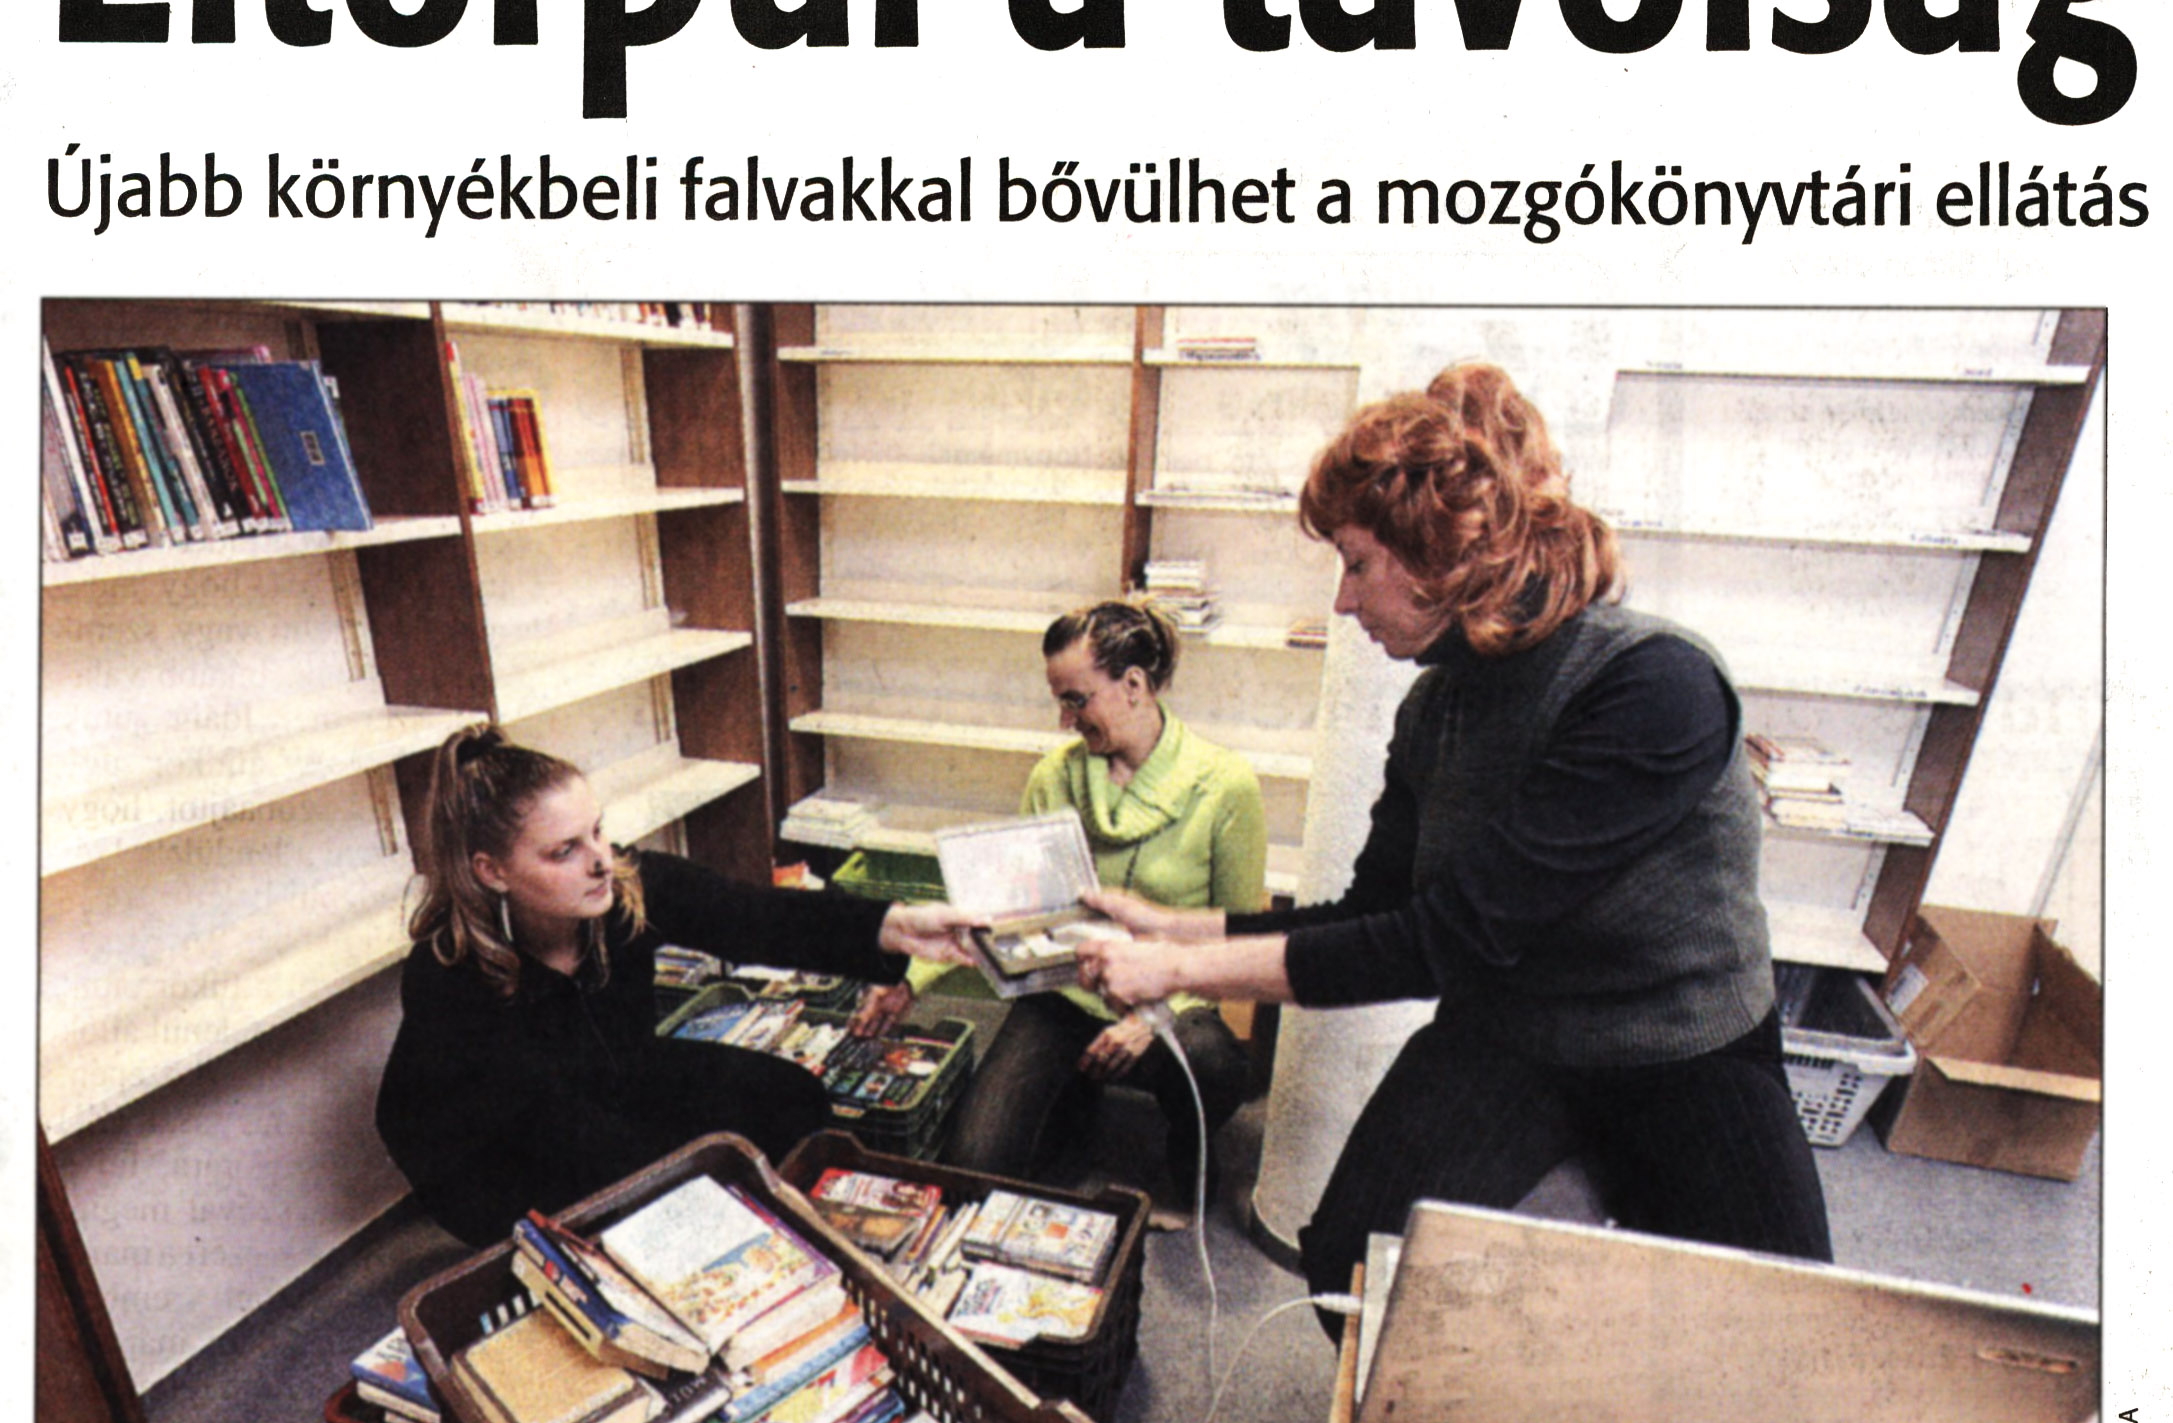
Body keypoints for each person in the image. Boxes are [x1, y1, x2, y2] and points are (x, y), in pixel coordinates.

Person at [1073, 363, 1833, 1310]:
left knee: (1778, 1320)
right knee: (1348, 1269)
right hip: (1514, 1027)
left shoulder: (1653, 685)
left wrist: (1178, 970)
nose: (1343, 602)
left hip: (1678, 1038)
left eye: (1355, 564)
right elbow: (1373, 912)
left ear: (1438, 557)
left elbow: (1445, 941)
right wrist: (1174, 927)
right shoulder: (1435, 710)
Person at [376, 726, 970, 1245]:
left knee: (791, 1099)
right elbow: (555, 1133)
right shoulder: (448, 974)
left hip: (614, 1081)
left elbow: (755, 916)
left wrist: (897, 927)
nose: (599, 861)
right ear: (492, 871)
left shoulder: (621, 887)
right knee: (668, 1199)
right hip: (505, 1156)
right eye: (564, 851)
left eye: (597, 832)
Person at [936, 600, 1267, 1211]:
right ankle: (1076, 1097)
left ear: (1134, 685)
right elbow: (1009, 910)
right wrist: (909, 976)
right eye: (1060, 701)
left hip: (1171, 999)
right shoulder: (1053, 776)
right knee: (973, 1166)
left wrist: (1153, 1019)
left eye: (1076, 700)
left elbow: (1237, 942)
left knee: (1213, 1062)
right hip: (1064, 995)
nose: (1064, 720)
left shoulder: (1225, 785)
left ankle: (1187, 1149)